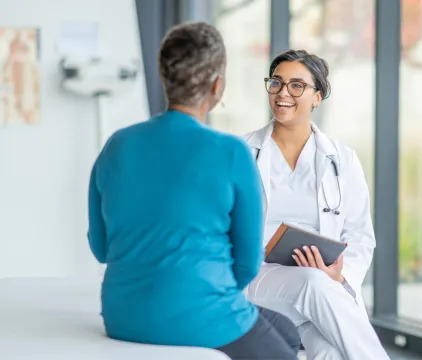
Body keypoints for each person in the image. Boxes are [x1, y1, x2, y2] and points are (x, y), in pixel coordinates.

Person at [87, 23, 300, 360]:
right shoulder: (230, 152)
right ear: (217, 85)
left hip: (123, 317)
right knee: (288, 347)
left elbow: (101, 249)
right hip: (202, 319)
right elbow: (246, 265)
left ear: (164, 76)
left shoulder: (117, 145)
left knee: (286, 330)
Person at [243, 49, 391, 360]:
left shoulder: (342, 159)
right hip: (258, 278)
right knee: (313, 282)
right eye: (277, 83)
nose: (284, 93)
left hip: (321, 290)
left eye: (297, 85)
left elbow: (361, 235)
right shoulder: (241, 153)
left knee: (332, 353)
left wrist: (340, 273)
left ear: (317, 97)